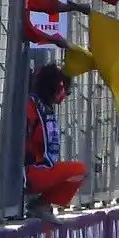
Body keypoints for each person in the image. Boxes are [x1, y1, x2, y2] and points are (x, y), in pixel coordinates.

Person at [23, 63, 87, 220]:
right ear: (58, 87)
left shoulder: (44, 107)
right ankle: (40, 204)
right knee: (79, 170)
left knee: (80, 171)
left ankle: (42, 204)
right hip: (30, 171)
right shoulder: (31, 106)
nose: (65, 97)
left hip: (41, 167)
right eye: (66, 91)